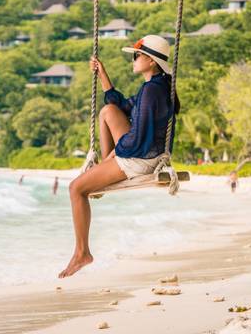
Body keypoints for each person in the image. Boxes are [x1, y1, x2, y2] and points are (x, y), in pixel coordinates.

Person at [58, 35, 180, 279]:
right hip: (148, 154)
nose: (133, 59)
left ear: (152, 62)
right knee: (108, 111)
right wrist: (103, 74)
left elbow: (138, 139)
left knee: (76, 189)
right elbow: (122, 106)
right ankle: (105, 169)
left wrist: (117, 151)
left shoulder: (151, 92)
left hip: (140, 159)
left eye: (138, 55)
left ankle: (82, 252)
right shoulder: (156, 87)